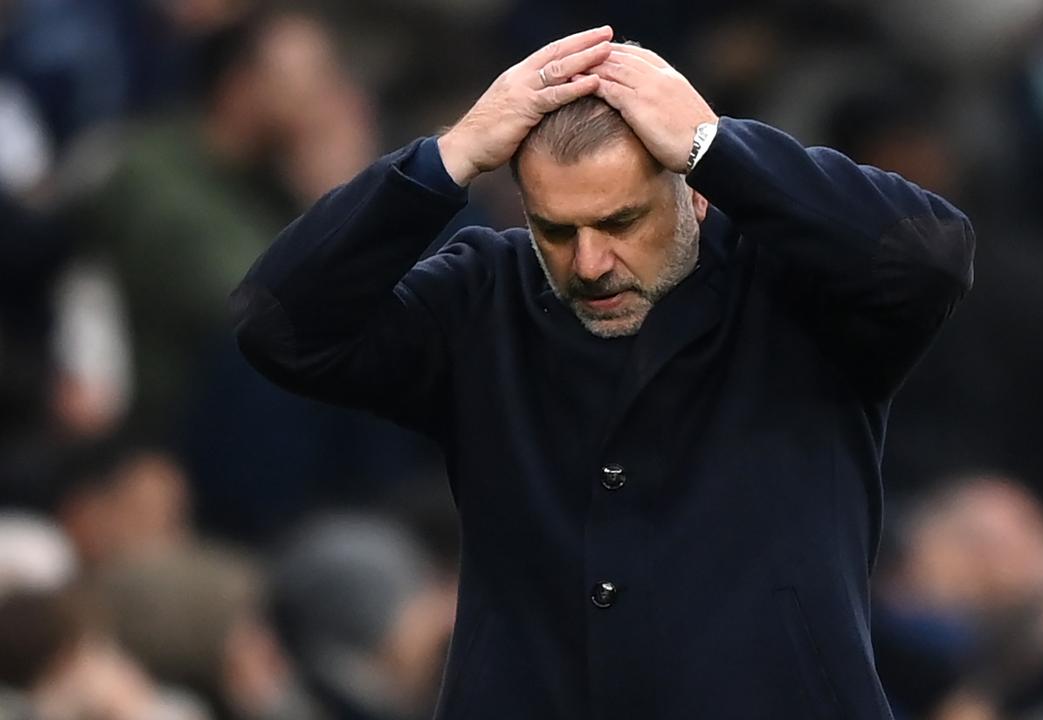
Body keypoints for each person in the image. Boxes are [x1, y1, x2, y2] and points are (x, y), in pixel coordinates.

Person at [232, 25, 975, 719]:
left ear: (697, 190)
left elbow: (927, 257)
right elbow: (279, 326)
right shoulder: (486, 295)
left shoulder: (796, 287)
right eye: (556, 230)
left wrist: (722, 146)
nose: (589, 263)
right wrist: (446, 158)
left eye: (622, 222)